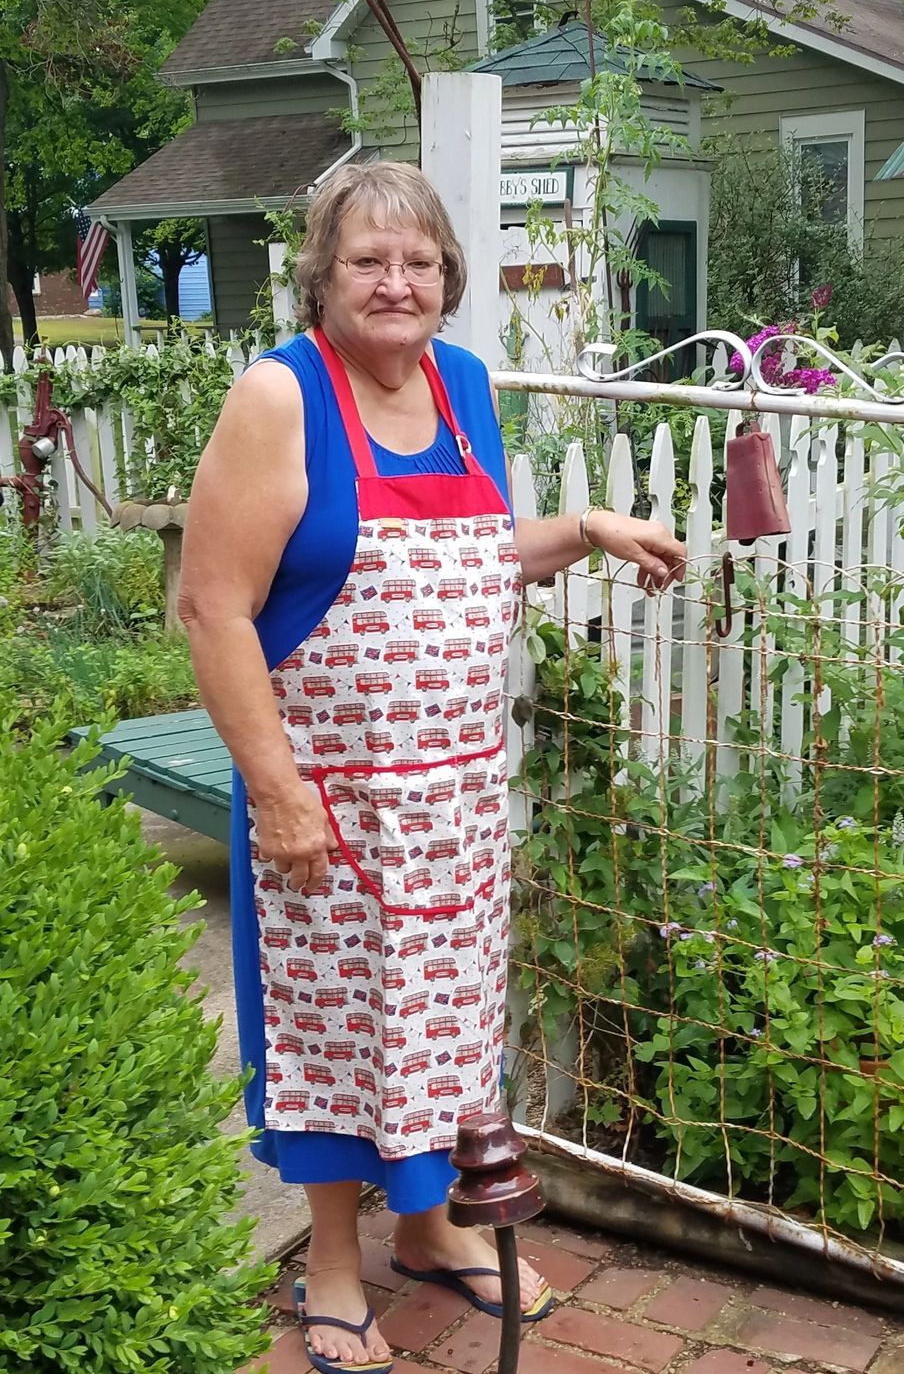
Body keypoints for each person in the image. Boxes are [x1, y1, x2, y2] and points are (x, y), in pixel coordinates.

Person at [179, 161, 685, 1373]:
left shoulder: (462, 385)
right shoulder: (281, 398)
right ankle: (336, 1266)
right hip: (334, 809)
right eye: (369, 260)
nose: (396, 282)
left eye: (418, 262)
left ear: (448, 279)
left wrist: (580, 530)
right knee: (338, 1038)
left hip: (458, 800)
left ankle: (435, 1227)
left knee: (446, 1029)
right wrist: (281, 796)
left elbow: (464, 556)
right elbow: (211, 607)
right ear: (324, 274)